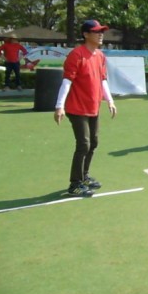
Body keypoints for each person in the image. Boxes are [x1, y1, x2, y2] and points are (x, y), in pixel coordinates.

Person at [53, 20, 117, 197]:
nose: (100, 34)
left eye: (101, 31)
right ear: (86, 34)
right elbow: (67, 81)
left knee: (93, 142)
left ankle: (84, 176)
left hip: (93, 107)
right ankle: (75, 184)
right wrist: (59, 106)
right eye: (96, 32)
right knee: (84, 144)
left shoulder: (100, 56)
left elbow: (102, 79)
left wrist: (110, 101)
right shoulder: (76, 55)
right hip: (76, 108)